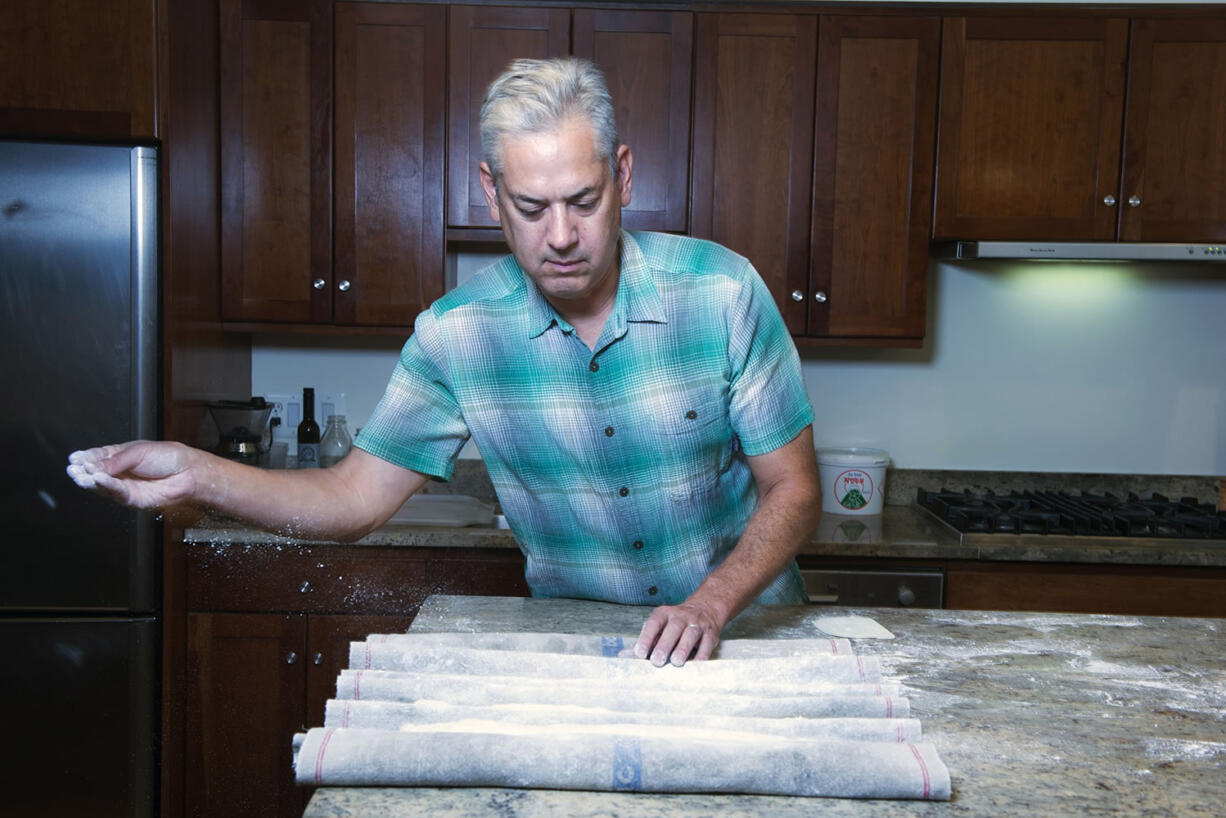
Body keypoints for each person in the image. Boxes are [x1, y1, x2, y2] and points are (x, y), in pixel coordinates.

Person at [67, 57, 821, 667]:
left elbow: (792, 488)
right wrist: (198, 473)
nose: (560, 235)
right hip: (577, 655)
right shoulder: (454, 336)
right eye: (531, 208)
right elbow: (352, 498)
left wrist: (711, 603)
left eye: (583, 200)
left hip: (746, 637)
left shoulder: (723, 292)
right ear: (491, 193)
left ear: (623, 176)